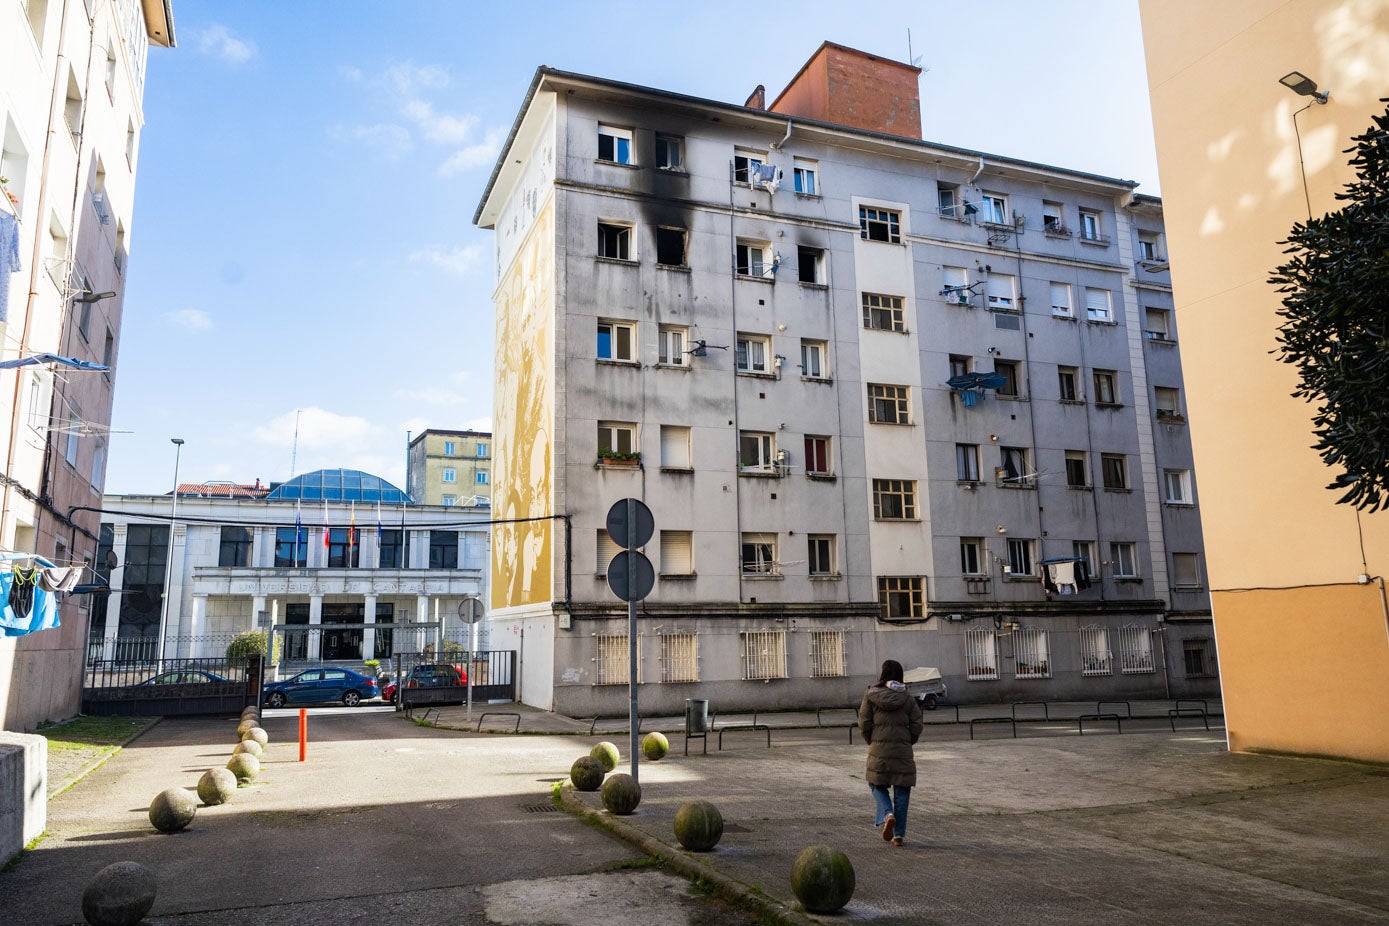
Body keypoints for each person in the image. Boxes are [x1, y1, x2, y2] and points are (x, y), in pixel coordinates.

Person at [858, 659, 924, 846]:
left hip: (879, 750)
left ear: (883, 674)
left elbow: (864, 723)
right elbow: (917, 724)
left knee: (875, 784)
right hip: (903, 752)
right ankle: (898, 836)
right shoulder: (908, 698)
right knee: (902, 790)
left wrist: (872, 740)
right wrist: (908, 740)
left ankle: (888, 814)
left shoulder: (871, 695)